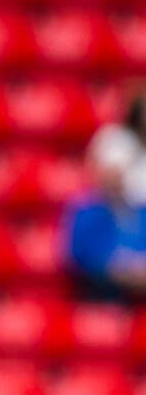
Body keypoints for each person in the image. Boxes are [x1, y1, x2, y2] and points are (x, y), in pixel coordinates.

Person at [63, 92, 146, 299]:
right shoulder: (86, 212)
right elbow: (76, 256)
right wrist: (113, 269)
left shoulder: (138, 212)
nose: (115, 178)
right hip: (99, 291)